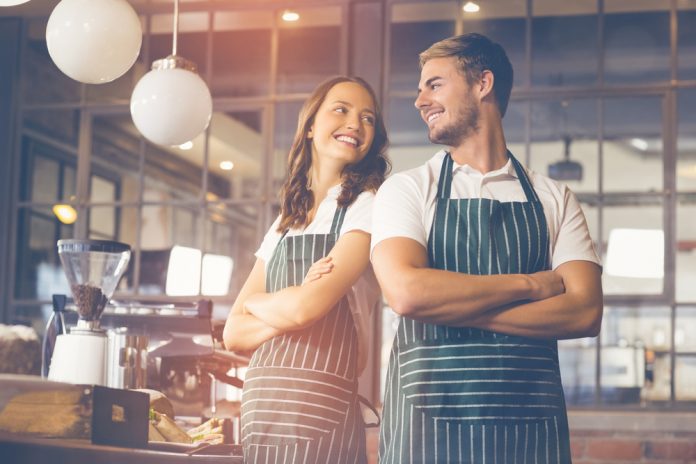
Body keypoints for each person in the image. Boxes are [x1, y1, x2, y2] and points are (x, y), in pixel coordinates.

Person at [371, 33, 603, 463]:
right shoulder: (406, 189)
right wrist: (533, 285)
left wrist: (452, 305)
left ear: (483, 84)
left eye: (434, 84)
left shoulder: (554, 197)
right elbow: (407, 293)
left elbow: (585, 312)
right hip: (427, 434)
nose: (419, 100)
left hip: (530, 436)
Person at [223, 76, 389, 463]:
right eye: (341, 110)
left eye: (367, 118)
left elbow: (305, 310)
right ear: (311, 125)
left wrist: (266, 305)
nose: (355, 123)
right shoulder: (285, 222)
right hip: (261, 409)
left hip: (320, 411)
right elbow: (233, 333)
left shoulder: (368, 205)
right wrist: (292, 302)